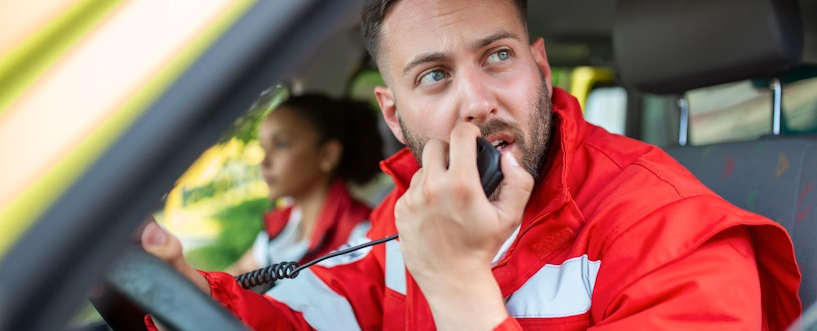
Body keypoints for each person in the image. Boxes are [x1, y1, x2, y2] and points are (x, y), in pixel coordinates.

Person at [140, 0, 802, 330]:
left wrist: (459, 283)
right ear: (394, 116)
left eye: (497, 57)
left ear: (540, 70)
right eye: (433, 76)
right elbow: (306, 316)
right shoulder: (409, 217)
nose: (477, 102)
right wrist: (168, 285)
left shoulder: (672, 233)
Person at [225, 94, 383, 278]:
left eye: (281, 144)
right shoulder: (287, 222)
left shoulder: (361, 235)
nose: (264, 162)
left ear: (327, 155)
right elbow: (237, 273)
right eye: (264, 147)